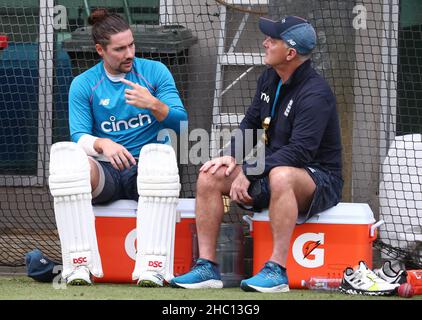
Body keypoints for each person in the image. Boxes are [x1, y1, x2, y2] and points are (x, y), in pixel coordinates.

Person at [170, 15, 343, 292]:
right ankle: (206, 268)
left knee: (282, 176)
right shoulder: (268, 77)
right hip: (272, 169)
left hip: (319, 179)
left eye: (271, 40)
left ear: (290, 52)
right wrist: (233, 156)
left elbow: (300, 152)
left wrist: (251, 170)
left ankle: (276, 270)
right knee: (210, 174)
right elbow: (251, 123)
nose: (264, 43)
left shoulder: (316, 94)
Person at [48, 8, 187, 286]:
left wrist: (154, 105)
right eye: (120, 49)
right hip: (107, 173)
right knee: (69, 163)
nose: (129, 53)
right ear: (101, 50)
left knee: (159, 163)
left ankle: (153, 267)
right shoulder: (84, 83)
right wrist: (103, 144)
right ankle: (78, 265)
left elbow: (181, 121)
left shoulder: (155, 72)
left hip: (145, 172)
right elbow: (79, 136)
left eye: (132, 45)